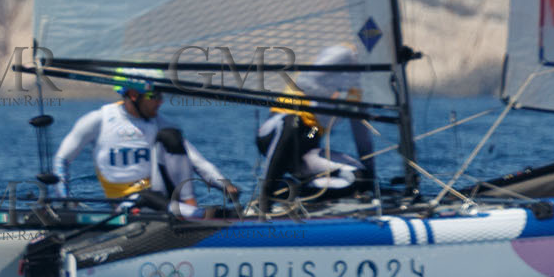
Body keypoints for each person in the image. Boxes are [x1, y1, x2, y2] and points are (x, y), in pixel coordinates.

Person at [51, 74, 239, 218]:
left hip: (159, 197)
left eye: (161, 95)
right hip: (125, 205)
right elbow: (62, 160)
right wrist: (65, 201)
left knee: (172, 136)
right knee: (145, 197)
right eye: (154, 96)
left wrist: (225, 185)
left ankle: (195, 213)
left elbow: (197, 161)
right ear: (133, 95)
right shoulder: (98, 120)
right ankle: (198, 215)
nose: (160, 101)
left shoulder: (161, 123)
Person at [256, 44, 373, 207]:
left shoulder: (363, 86)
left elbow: (363, 140)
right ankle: (265, 197)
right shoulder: (344, 54)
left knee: (359, 177)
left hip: (309, 138)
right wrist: (333, 93)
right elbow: (305, 80)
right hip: (277, 129)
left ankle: (291, 191)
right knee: (294, 123)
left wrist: (372, 184)